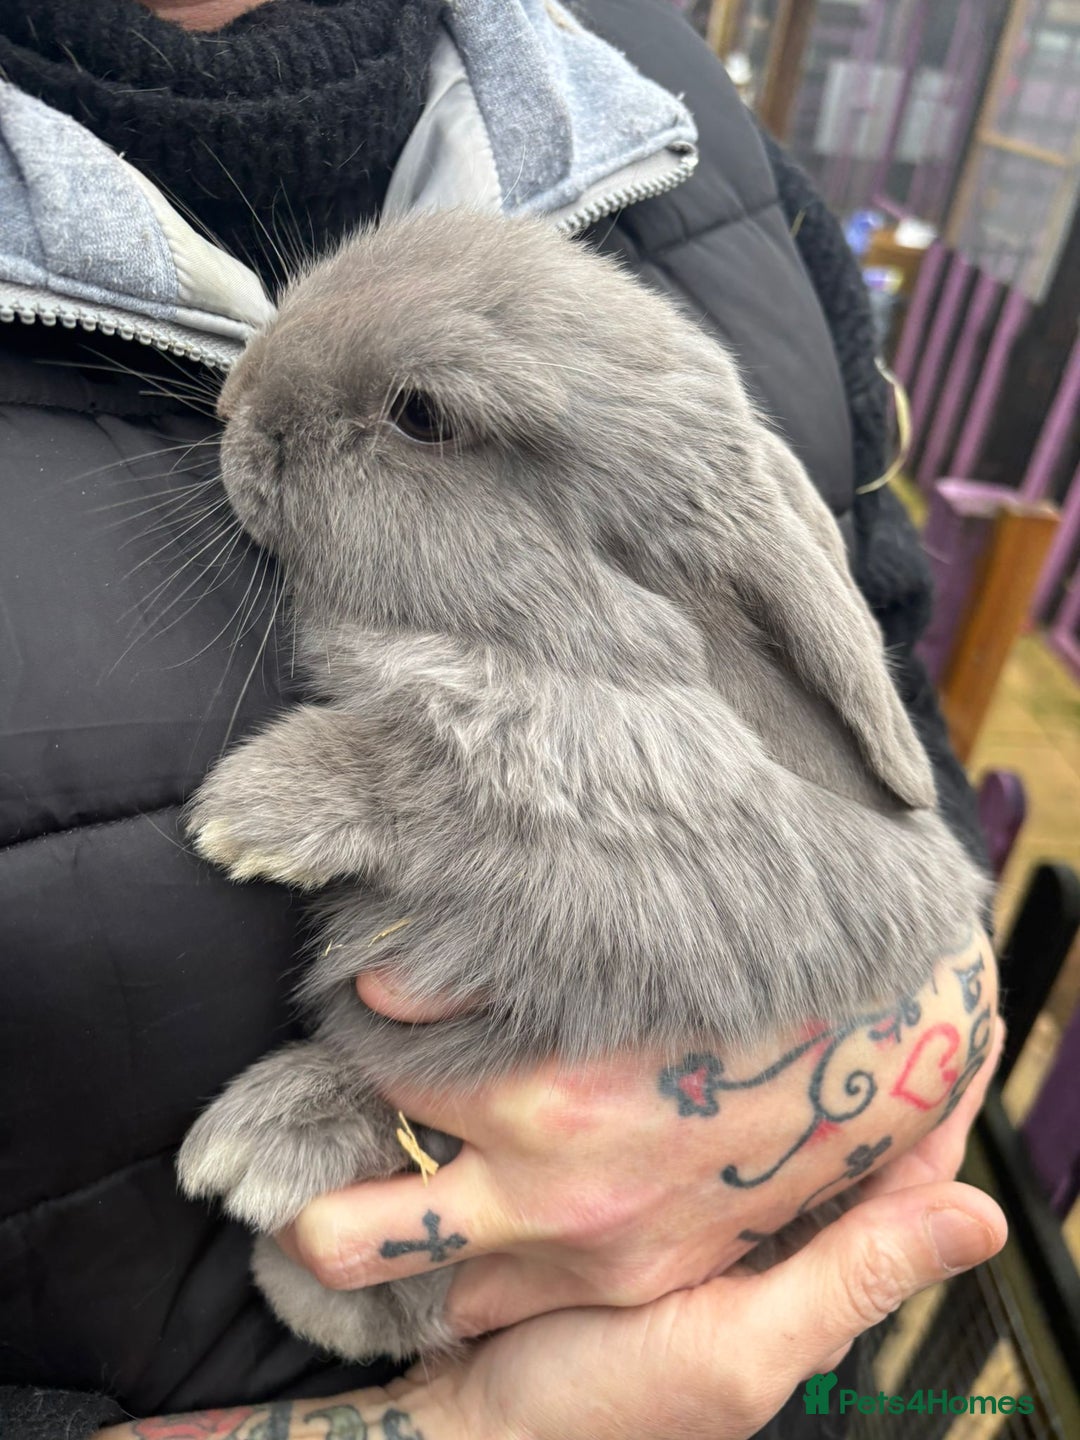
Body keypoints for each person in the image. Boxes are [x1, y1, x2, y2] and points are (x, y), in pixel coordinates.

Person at [0, 0, 1004, 1436]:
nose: (243, 408)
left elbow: (878, 693)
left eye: (415, 416)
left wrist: (929, 1009)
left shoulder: (666, 112)